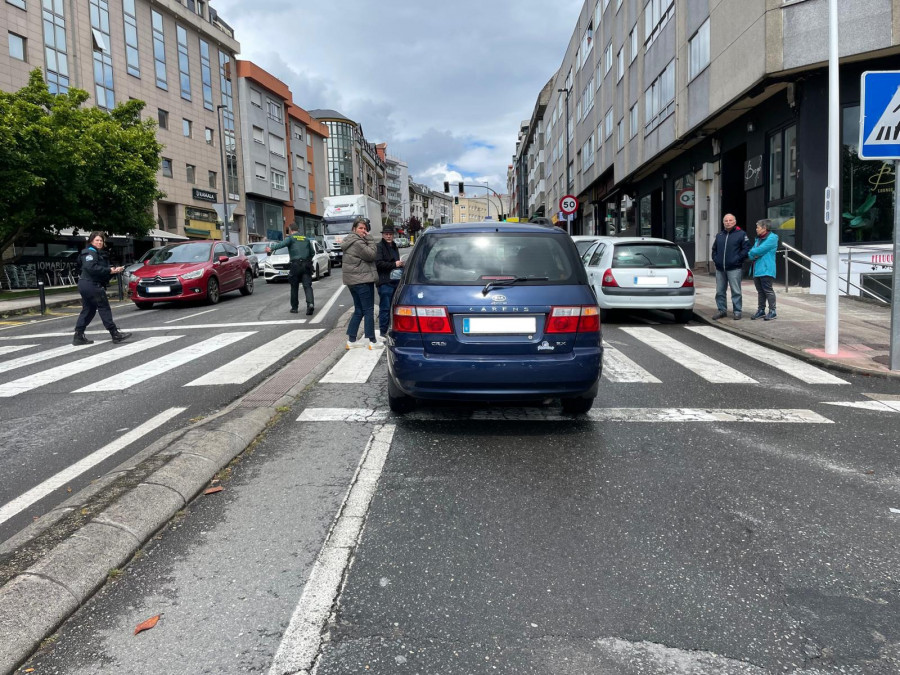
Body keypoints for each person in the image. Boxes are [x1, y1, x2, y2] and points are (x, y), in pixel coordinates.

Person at [73, 232, 132, 346]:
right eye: (97, 240)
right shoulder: (90, 252)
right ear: (91, 241)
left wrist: (112, 271)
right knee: (104, 307)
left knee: (89, 310)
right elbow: (91, 268)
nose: (99, 242)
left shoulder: (95, 253)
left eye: (101, 240)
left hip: (87, 284)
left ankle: (78, 336)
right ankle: (114, 333)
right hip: (91, 284)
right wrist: (109, 270)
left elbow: (98, 270)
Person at [341, 217, 378, 349]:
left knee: (359, 310)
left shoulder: (349, 241)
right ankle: (372, 341)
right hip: (362, 280)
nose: (363, 231)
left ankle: (351, 340)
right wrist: (370, 239)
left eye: (365, 228)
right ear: (354, 229)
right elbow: (372, 255)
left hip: (353, 282)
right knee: (368, 310)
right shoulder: (358, 242)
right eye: (360, 228)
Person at [267, 223, 315, 315]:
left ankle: (294, 308)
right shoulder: (306, 239)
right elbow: (312, 253)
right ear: (298, 229)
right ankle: (310, 304)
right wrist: (308, 260)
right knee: (307, 286)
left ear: (291, 230)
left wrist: (271, 249)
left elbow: (281, 244)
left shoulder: (291, 238)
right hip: (306, 265)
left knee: (294, 286)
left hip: (295, 265)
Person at [710, 213, 751, 320]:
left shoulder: (741, 234)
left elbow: (746, 249)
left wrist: (737, 259)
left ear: (735, 222)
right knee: (719, 291)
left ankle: (737, 311)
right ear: (723, 222)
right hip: (720, 269)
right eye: (726, 221)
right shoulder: (719, 235)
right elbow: (714, 249)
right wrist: (716, 260)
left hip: (734, 268)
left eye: (730, 220)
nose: (728, 222)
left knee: (736, 291)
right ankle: (721, 310)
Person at [374, 223, 404, 337]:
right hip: (384, 282)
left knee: (393, 308)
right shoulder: (379, 247)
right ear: (383, 235)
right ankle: (383, 332)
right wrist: (394, 264)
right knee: (385, 309)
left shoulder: (394, 246)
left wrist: (400, 264)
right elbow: (378, 264)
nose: (388, 236)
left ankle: (391, 330)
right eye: (386, 234)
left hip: (394, 281)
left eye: (390, 234)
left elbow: (395, 263)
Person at [747, 219, 779, 321]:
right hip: (757, 269)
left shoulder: (772, 238)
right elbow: (750, 254)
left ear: (764, 228)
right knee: (760, 291)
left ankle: (772, 311)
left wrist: (753, 252)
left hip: (766, 269)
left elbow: (759, 250)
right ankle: (761, 310)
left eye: (758, 227)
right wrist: (753, 253)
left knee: (768, 290)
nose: (756, 229)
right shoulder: (758, 239)